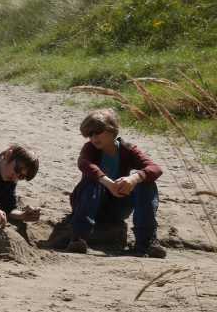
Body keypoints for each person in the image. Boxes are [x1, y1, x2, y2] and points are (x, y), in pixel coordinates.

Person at [66, 109, 165, 258]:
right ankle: (78, 238)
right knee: (93, 179)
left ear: (112, 130)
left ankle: (147, 243)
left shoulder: (128, 150)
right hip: (90, 204)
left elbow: (155, 169)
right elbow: (84, 164)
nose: (93, 137)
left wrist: (134, 178)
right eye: (89, 134)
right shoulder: (90, 149)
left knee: (146, 183)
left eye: (97, 132)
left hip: (117, 208)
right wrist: (108, 183)